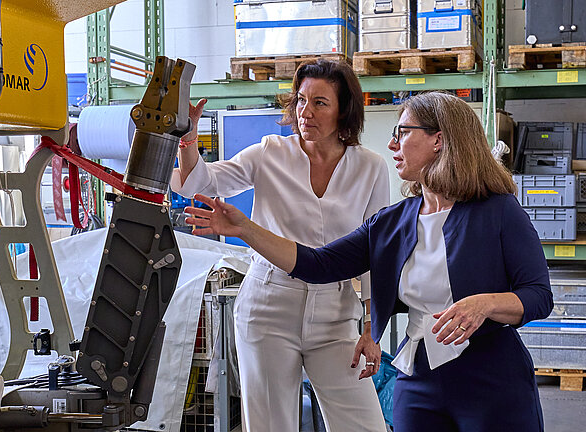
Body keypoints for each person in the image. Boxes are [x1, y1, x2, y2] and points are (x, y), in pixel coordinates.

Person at [185, 91, 553, 432]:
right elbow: (318, 264)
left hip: (492, 380)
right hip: (420, 379)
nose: (392, 144)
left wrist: (485, 304)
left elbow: (538, 295)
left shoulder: (499, 212)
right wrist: (246, 229)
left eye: (403, 132)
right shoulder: (392, 221)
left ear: (439, 140)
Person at [171, 59, 388, 431]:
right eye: (301, 100)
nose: (306, 112)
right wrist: (188, 139)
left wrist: (371, 328)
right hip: (268, 306)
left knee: (364, 424)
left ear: (343, 110)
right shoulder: (269, 152)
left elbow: (375, 253)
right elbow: (199, 184)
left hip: (336, 314)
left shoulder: (370, 167)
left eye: (320, 103)